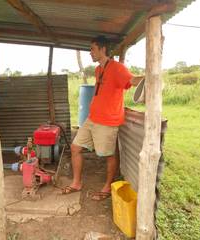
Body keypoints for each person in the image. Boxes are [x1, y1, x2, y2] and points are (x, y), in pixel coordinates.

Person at [62, 35, 144, 200]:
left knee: (108, 155)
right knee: (75, 148)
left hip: (108, 121)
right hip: (92, 118)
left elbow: (132, 80)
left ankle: (107, 186)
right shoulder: (99, 69)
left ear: (102, 49)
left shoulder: (118, 68)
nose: (90, 52)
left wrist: (148, 78)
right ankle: (77, 182)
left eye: (92, 49)